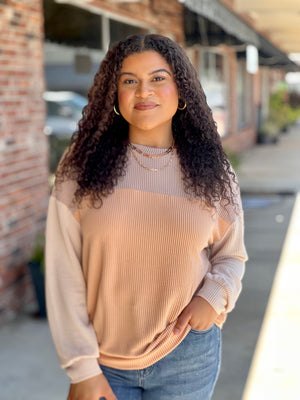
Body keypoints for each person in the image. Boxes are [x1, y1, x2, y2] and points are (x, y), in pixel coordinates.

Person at [45, 34, 247, 400]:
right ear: (114, 94)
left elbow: (231, 255)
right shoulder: (81, 168)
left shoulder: (213, 170)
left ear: (180, 89)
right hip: (104, 363)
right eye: (128, 81)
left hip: (188, 354)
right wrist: (82, 368)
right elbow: (62, 271)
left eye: (158, 78)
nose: (143, 91)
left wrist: (213, 296)